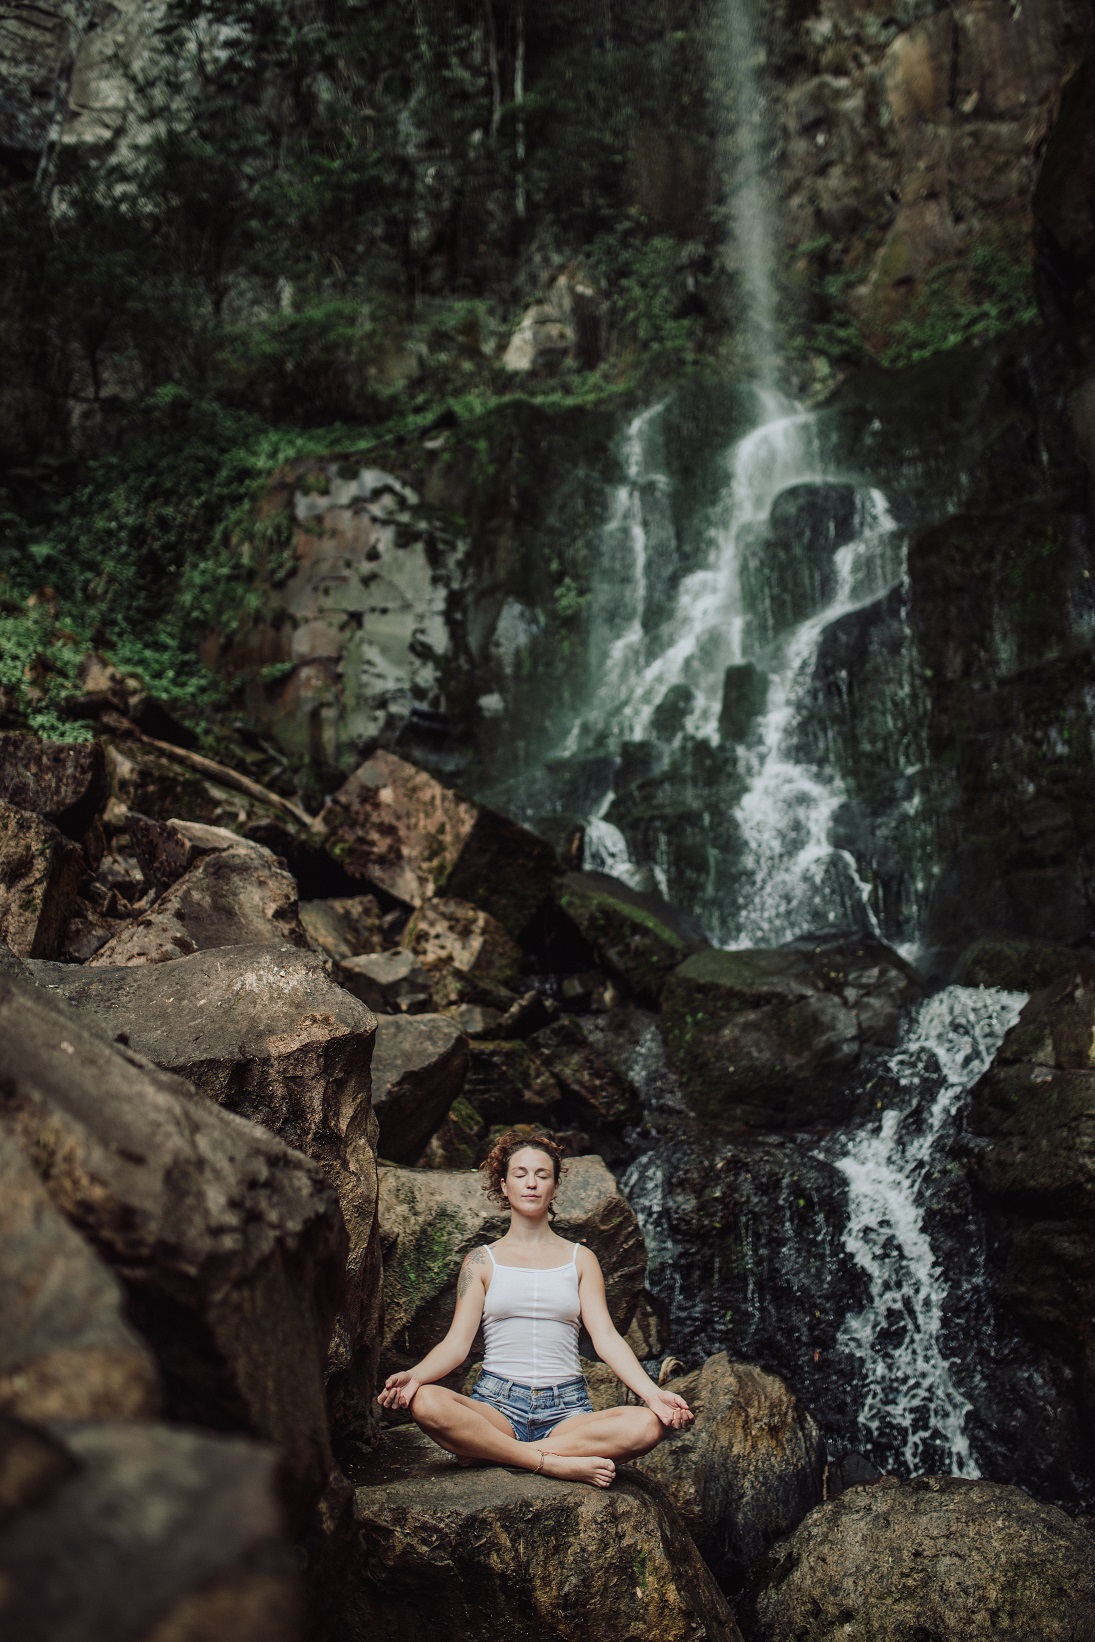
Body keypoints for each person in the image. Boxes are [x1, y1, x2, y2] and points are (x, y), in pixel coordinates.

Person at [377, 1129, 693, 1488]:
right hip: (496, 1406)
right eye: (520, 1174)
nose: (531, 1183)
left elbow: (606, 1337)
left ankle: (494, 1451)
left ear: (555, 1187)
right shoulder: (481, 1260)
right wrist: (416, 1375)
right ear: (504, 1184)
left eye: (542, 1175)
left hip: (567, 1412)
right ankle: (551, 1462)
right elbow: (456, 1344)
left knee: (647, 1425)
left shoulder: (581, 1259)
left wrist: (653, 1394)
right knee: (426, 1401)